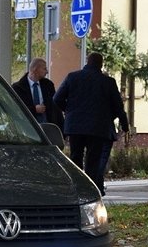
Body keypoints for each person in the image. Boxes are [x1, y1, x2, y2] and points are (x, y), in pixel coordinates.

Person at [53, 52, 128, 195]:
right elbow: (118, 106)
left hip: (75, 126)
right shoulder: (108, 82)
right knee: (93, 160)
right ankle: (90, 190)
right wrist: (125, 125)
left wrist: (69, 111)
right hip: (98, 127)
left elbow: (57, 99)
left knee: (75, 157)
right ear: (101, 64)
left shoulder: (72, 77)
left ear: (87, 62)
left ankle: (76, 188)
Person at [11, 57, 63, 134]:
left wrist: (62, 129)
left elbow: (55, 107)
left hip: (48, 127)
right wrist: (34, 109)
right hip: (27, 129)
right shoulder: (18, 87)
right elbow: (16, 109)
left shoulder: (48, 85)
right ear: (35, 69)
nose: (47, 72)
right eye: (44, 69)